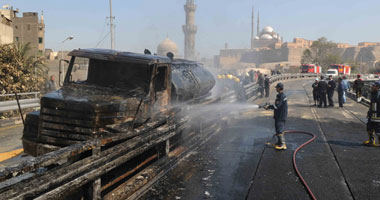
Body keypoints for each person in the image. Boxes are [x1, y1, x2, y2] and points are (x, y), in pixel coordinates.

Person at [264, 83, 288, 150]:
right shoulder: (281, 95)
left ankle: (283, 144)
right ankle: (279, 142)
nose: (276, 89)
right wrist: (269, 107)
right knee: (277, 129)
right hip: (279, 115)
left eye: (277, 88)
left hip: (281, 116)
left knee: (279, 130)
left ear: (279, 88)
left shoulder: (281, 96)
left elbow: (276, 106)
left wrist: (269, 107)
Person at [364, 81, 380, 147]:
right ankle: (371, 141)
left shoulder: (378, 95)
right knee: (369, 128)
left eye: (373, 86)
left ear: (377, 87)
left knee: (378, 130)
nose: (372, 87)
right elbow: (372, 105)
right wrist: (369, 112)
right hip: (372, 115)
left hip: (378, 116)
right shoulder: (373, 93)